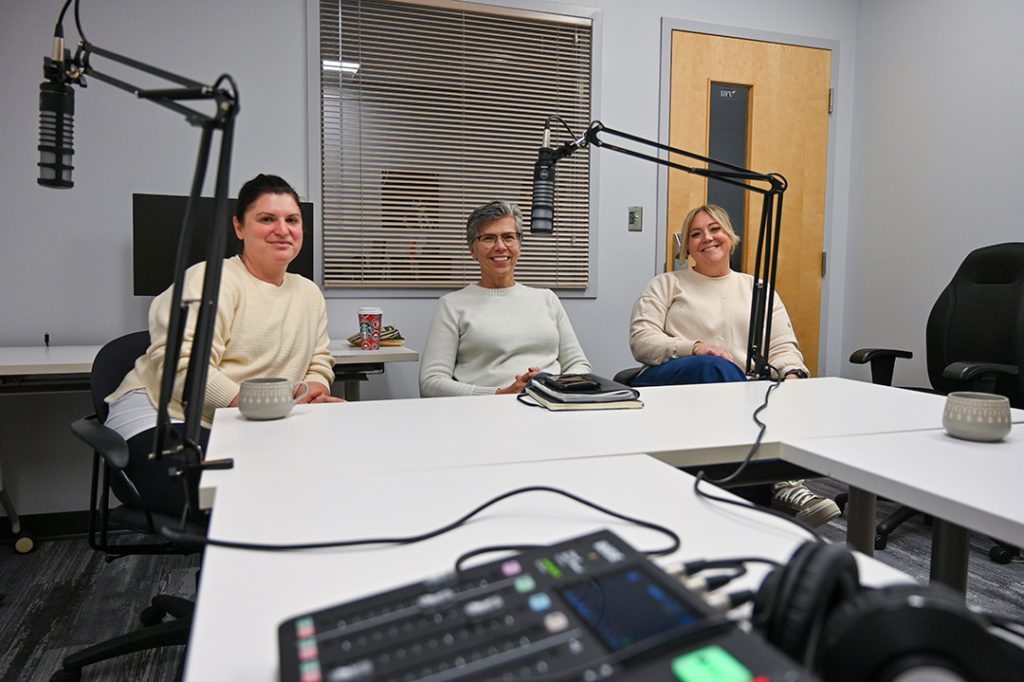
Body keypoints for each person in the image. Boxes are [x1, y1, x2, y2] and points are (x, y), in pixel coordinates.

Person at [106, 173, 342, 515]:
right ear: (239, 227)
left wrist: (314, 393)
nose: (282, 229)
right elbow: (184, 368)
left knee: (328, 469)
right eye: (266, 219)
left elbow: (318, 361)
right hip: (163, 413)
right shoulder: (211, 281)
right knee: (233, 495)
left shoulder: (308, 294)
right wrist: (262, 407)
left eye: (292, 220)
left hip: (249, 420)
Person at [628, 204, 840, 527]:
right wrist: (695, 348)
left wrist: (793, 374)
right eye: (696, 234)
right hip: (674, 383)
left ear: (730, 237)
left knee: (779, 387)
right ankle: (779, 482)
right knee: (713, 367)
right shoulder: (666, 284)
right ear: (687, 247)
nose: (707, 238)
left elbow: (782, 346)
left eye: (715, 229)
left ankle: (763, 485)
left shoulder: (757, 290)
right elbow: (641, 341)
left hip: (736, 390)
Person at [419, 200, 592, 397]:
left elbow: (579, 365)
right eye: (489, 238)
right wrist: (500, 394)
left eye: (509, 237)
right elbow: (431, 383)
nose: (500, 246)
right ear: (472, 250)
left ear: (519, 245)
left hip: (551, 405)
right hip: (486, 413)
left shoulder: (547, 299)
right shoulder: (452, 305)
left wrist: (550, 385)